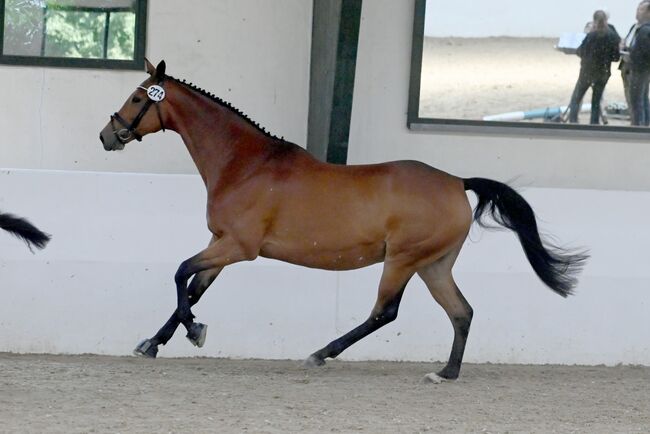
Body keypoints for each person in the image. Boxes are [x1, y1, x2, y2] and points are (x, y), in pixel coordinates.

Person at [568, 10, 621, 124]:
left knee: (577, 97)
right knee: (596, 101)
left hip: (587, 71)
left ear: (594, 21)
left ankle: (573, 121)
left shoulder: (591, 35)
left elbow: (580, 52)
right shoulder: (611, 35)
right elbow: (616, 57)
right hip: (603, 72)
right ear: (606, 20)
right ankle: (594, 123)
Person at [628, 2, 650, 125]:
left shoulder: (644, 30)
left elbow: (643, 51)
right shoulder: (640, 28)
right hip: (644, 68)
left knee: (637, 99)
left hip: (639, 68)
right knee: (643, 98)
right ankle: (645, 125)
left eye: (641, 10)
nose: (638, 12)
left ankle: (638, 126)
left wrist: (630, 54)